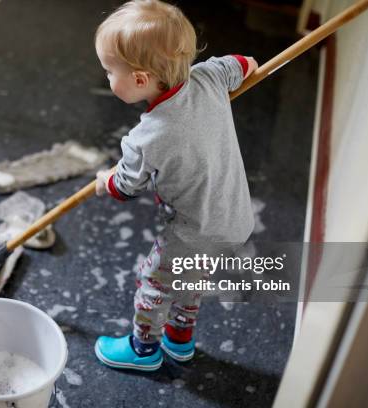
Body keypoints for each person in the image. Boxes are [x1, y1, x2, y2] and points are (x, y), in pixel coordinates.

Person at [93, 0, 257, 371]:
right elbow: (245, 64)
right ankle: (180, 340)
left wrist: (105, 181)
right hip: (234, 218)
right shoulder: (209, 76)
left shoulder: (147, 138)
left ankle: (142, 349)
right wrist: (245, 70)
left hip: (195, 229)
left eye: (108, 71)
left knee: (154, 282)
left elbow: (124, 186)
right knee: (191, 276)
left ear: (139, 79)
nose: (106, 77)